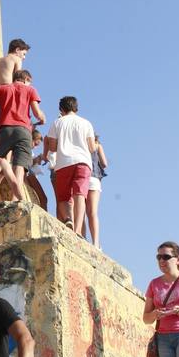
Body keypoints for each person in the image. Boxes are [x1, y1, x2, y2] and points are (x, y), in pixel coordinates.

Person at [45, 96, 96, 234]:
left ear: (61, 109)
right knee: (80, 195)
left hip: (63, 163)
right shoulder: (86, 123)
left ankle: (68, 218)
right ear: (76, 107)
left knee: (63, 197)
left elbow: (53, 147)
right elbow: (92, 148)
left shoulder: (57, 123)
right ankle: (78, 230)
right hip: (83, 162)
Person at [0, 39, 31, 130]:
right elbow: (19, 79)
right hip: (8, 96)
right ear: (17, 50)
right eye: (24, 54)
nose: (24, 57)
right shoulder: (16, 59)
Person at [82, 134, 108, 247]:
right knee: (92, 212)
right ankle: (96, 243)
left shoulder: (81, 145)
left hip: (82, 177)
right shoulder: (97, 145)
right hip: (94, 178)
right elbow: (104, 163)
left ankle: (82, 237)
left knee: (80, 211)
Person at [25, 128, 48, 210]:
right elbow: (26, 163)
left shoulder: (31, 151)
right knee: (43, 199)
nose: (34, 147)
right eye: (35, 143)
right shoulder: (25, 148)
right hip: (28, 176)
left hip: (30, 175)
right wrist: (37, 159)